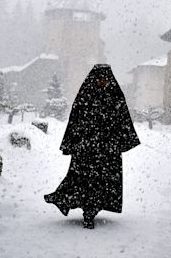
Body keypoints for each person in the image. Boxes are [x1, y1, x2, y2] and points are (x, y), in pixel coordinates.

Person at [44, 64, 140, 229]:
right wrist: (72, 142)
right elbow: (75, 120)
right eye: (99, 78)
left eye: (105, 79)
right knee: (82, 180)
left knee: (100, 183)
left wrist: (121, 141)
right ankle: (68, 201)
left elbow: (123, 119)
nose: (102, 82)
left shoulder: (115, 96)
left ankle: (88, 211)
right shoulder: (85, 96)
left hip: (107, 151)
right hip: (87, 149)